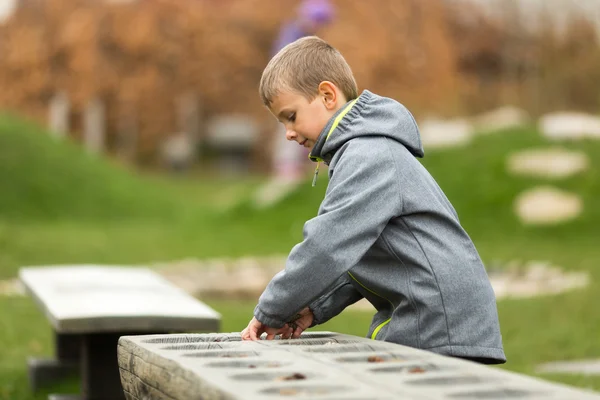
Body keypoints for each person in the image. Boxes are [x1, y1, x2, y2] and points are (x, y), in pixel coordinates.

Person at [241, 36, 506, 364]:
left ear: (327, 95)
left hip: (438, 322)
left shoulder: (369, 154)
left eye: (291, 116)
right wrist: (313, 306)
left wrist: (272, 307)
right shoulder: (361, 151)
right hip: (436, 319)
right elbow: (359, 255)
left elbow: (327, 247)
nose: (289, 133)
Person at [252, 0, 335, 207]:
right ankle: (287, 169)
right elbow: (284, 68)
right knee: (289, 130)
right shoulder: (293, 35)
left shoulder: (307, 36)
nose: (320, 27)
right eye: (318, 22)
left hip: (301, 93)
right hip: (288, 93)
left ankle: (311, 165)